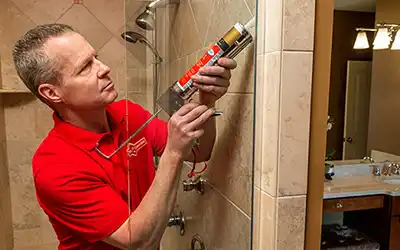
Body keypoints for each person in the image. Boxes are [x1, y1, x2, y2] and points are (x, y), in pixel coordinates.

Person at [12, 23, 237, 250]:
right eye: (85, 67)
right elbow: (138, 241)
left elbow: (199, 152)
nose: (104, 68)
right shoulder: (55, 167)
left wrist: (206, 102)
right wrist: (174, 151)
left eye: (96, 57)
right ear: (52, 93)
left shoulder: (127, 114)